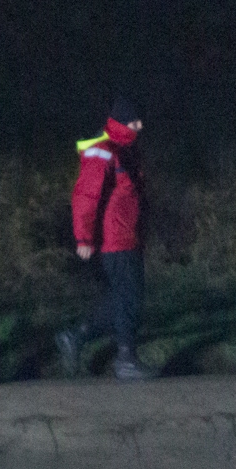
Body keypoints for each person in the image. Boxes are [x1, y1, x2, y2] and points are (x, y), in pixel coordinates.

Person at [55, 98, 157, 381]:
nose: (141, 126)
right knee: (129, 299)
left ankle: (76, 336)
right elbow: (86, 197)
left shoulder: (125, 151)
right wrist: (83, 238)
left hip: (127, 237)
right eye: (136, 121)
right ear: (124, 122)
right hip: (114, 239)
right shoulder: (102, 152)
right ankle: (125, 359)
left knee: (123, 297)